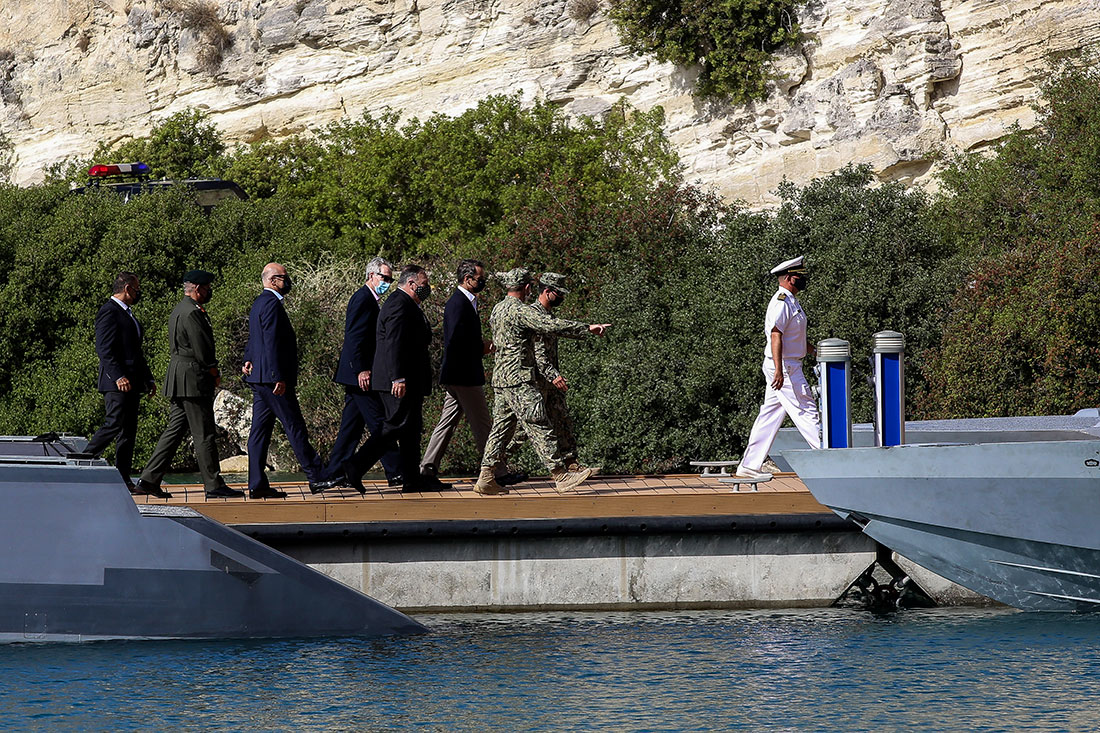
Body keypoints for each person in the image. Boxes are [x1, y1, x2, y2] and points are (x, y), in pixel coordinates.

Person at [473, 268, 610, 496]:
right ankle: (560, 475)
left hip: (501, 379)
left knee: (501, 429)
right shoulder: (521, 311)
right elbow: (551, 326)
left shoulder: (497, 309)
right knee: (539, 423)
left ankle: (486, 476)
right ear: (527, 288)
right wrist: (587, 328)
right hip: (519, 378)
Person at [330, 265, 449, 494]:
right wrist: (398, 378)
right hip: (397, 381)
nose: (427, 289)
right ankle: (354, 466)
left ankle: (411, 479)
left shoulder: (408, 304)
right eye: (424, 285)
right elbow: (393, 343)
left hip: (410, 381)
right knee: (394, 426)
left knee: (411, 430)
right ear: (411, 283)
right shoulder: (398, 303)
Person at [134, 270, 243, 499]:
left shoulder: (179, 310)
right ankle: (213, 485)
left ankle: (149, 479)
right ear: (196, 288)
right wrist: (214, 371)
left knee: (174, 431)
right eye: (206, 287)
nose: (209, 291)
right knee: (203, 433)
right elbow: (202, 349)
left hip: (179, 377)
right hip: (193, 378)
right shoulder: (193, 313)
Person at [419, 259, 525, 486]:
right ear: (467, 280)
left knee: (446, 423)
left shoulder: (464, 302)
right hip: (464, 376)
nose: (483, 282)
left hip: (456, 375)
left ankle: (426, 469)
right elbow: (456, 341)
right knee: (484, 425)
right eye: (480, 279)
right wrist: (483, 347)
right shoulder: (458, 304)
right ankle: (498, 473)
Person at [241, 263, 330, 498]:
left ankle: (257, 484)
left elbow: (254, 338)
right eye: (284, 277)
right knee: (294, 426)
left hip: (259, 379)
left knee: (259, 432)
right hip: (272, 380)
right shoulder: (271, 304)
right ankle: (317, 477)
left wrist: (248, 359)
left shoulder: (259, 302)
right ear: (272, 280)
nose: (287, 281)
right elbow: (271, 342)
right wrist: (277, 376)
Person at [736, 255, 822, 479]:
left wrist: (816, 351)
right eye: (799, 277)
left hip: (787, 364)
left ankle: (749, 465)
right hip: (785, 366)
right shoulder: (781, 302)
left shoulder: (792, 301)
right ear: (789, 278)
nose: (802, 280)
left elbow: (795, 337)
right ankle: (827, 458)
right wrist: (779, 370)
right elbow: (776, 335)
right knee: (806, 410)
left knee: (770, 415)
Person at [323, 257, 403, 489]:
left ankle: (334, 472)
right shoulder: (362, 299)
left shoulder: (370, 300)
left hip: (359, 375)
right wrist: (361, 370)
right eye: (384, 278)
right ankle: (396, 471)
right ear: (371, 275)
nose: (387, 282)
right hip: (360, 376)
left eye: (390, 279)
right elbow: (355, 338)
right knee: (380, 424)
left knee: (350, 428)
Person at [505, 272, 585, 472]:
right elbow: (538, 353)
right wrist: (553, 375)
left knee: (561, 418)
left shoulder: (548, 314)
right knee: (525, 429)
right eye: (559, 293)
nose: (562, 298)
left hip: (548, 381)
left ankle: (570, 462)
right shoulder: (534, 315)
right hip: (536, 381)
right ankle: (497, 462)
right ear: (547, 291)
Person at [85, 272, 157, 492]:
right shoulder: (109, 312)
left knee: (128, 431)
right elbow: (104, 350)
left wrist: (148, 378)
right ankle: (83, 458)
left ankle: (124, 479)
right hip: (116, 382)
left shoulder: (128, 314)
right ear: (127, 288)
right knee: (114, 422)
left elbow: (135, 352)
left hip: (133, 382)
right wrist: (117, 376)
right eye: (136, 289)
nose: (138, 293)